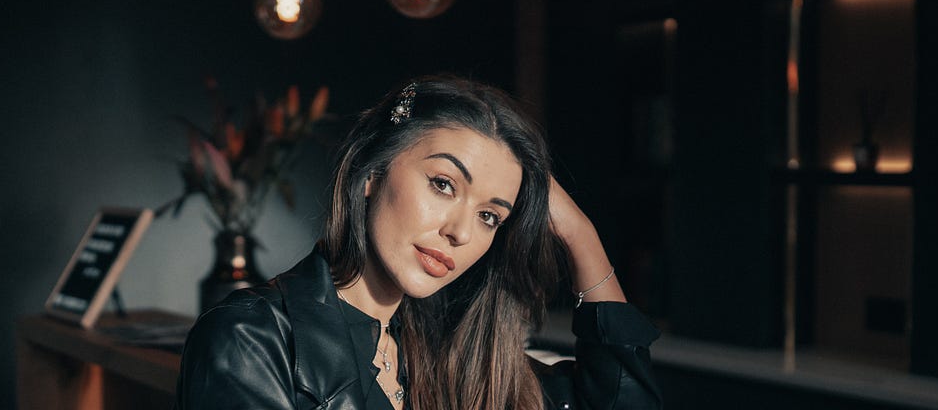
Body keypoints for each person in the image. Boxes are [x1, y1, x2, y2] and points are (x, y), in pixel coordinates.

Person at [177, 76, 660, 409]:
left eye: (490, 216)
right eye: (444, 184)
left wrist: (581, 235)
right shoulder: (251, 340)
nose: (461, 232)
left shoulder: (452, 353)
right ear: (371, 173)